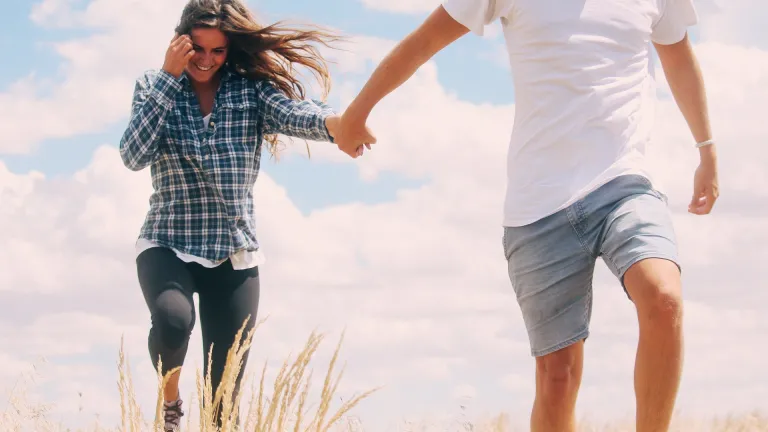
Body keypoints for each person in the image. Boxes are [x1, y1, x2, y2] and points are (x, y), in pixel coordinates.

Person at [333, 1, 718, 431]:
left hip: (625, 183)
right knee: (557, 378)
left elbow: (678, 55)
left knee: (664, 299)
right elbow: (424, 42)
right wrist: (356, 113)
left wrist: (707, 150)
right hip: (538, 206)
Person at [118, 0, 374, 430]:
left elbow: (295, 114)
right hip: (167, 241)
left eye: (217, 51)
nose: (206, 59)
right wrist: (168, 77)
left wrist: (338, 125)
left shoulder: (249, 90)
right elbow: (133, 155)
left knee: (222, 407)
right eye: (197, 48)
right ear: (179, 42)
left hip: (233, 253)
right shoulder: (153, 85)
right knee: (173, 321)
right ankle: (171, 403)